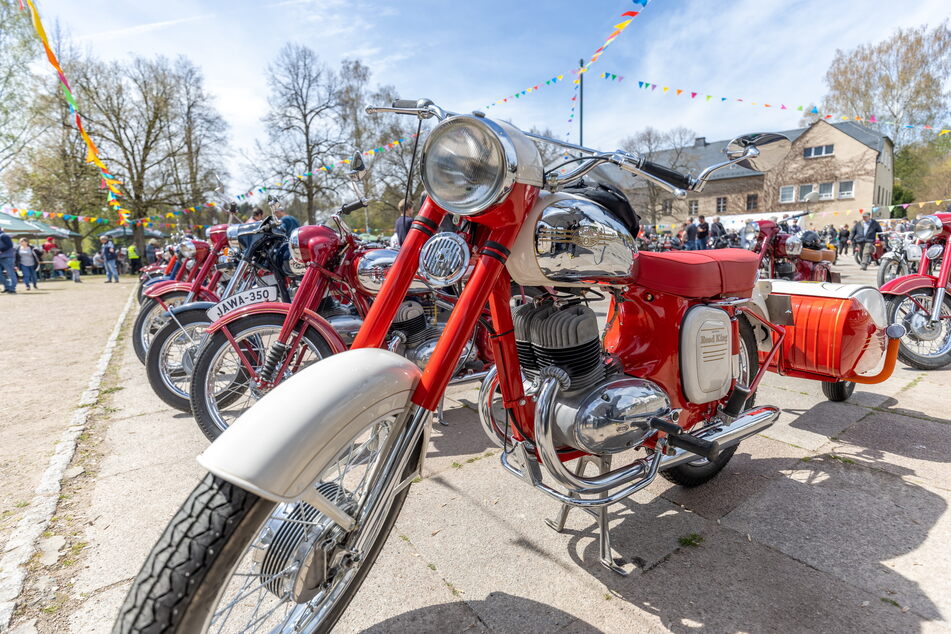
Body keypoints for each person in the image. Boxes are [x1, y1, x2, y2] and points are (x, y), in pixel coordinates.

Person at [0, 227, 18, 293]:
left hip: (7, 257)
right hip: (1, 258)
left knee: (10, 273)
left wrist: (1, 250)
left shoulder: (4, 236)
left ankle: (12, 288)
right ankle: (7, 287)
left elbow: (10, 245)